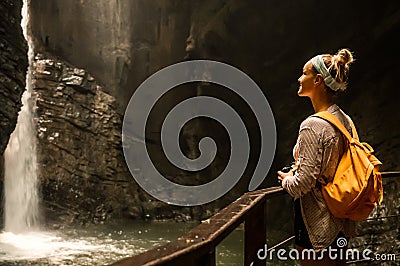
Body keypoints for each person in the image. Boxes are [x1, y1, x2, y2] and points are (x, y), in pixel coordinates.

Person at [277, 48, 356, 265]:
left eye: (305, 73)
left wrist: (286, 180)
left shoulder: (313, 125)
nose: (299, 78)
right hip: (341, 217)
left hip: (317, 222)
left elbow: (303, 183)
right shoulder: (344, 120)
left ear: (318, 80)